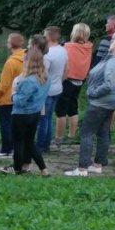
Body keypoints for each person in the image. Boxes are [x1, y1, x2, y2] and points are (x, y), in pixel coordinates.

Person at [64, 29, 115, 177]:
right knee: (103, 132)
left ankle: (82, 168)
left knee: (87, 133)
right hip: (113, 101)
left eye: (113, 40)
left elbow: (109, 84)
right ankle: (97, 165)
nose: (110, 42)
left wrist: (93, 92)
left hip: (101, 102)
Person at [4, 42, 49, 175]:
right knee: (30, 142)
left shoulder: (28, 81)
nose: (23, 60)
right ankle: (43, 169)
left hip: (21, 115)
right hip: (35, 113)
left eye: (25, 59)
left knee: (18, 142)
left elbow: (19, 101)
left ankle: (17, 168)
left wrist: (13, 91)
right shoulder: (46, 78)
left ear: (29, 62)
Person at [56, 23, 93, 145]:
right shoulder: (89, 47)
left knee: (61, 110)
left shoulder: (67, 46)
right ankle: (72, 135)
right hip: (79, 81)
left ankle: (59, 137)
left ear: (74, 33)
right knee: (73, 107)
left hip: (67, 81)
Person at [0, 33, 26, 158]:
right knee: (16, 125)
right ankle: (16, 148)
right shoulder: (27, 59)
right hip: (20, 97)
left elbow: (4, 85)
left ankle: (6, 150)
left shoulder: (11, 62)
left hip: (7, 98)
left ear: (10, 45)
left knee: (6, 125)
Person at [36, 25, 67, 153]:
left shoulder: (47, 54)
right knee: (49, 118)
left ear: (48, 37)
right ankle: (47, 144)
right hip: (57, 89)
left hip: (46, 92)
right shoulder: (63, 50)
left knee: (43, 119)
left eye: (44, 35)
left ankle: (40, 146)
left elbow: (43, 75)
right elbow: (66, 70)